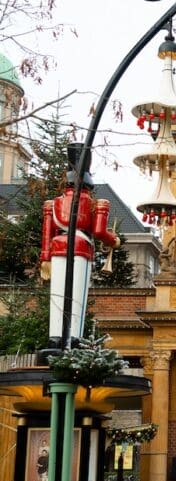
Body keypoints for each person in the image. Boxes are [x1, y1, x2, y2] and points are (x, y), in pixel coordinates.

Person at [40, 147, 119, 347]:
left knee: (57, 296)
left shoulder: (54, 203)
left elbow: (47, 232)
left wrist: (45, 259)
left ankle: (55, 337)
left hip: (57, 247)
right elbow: (100, 231)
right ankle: (73, 338)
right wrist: (114, 241)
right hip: (81, 247)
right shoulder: (94, 203)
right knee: (77, 296)